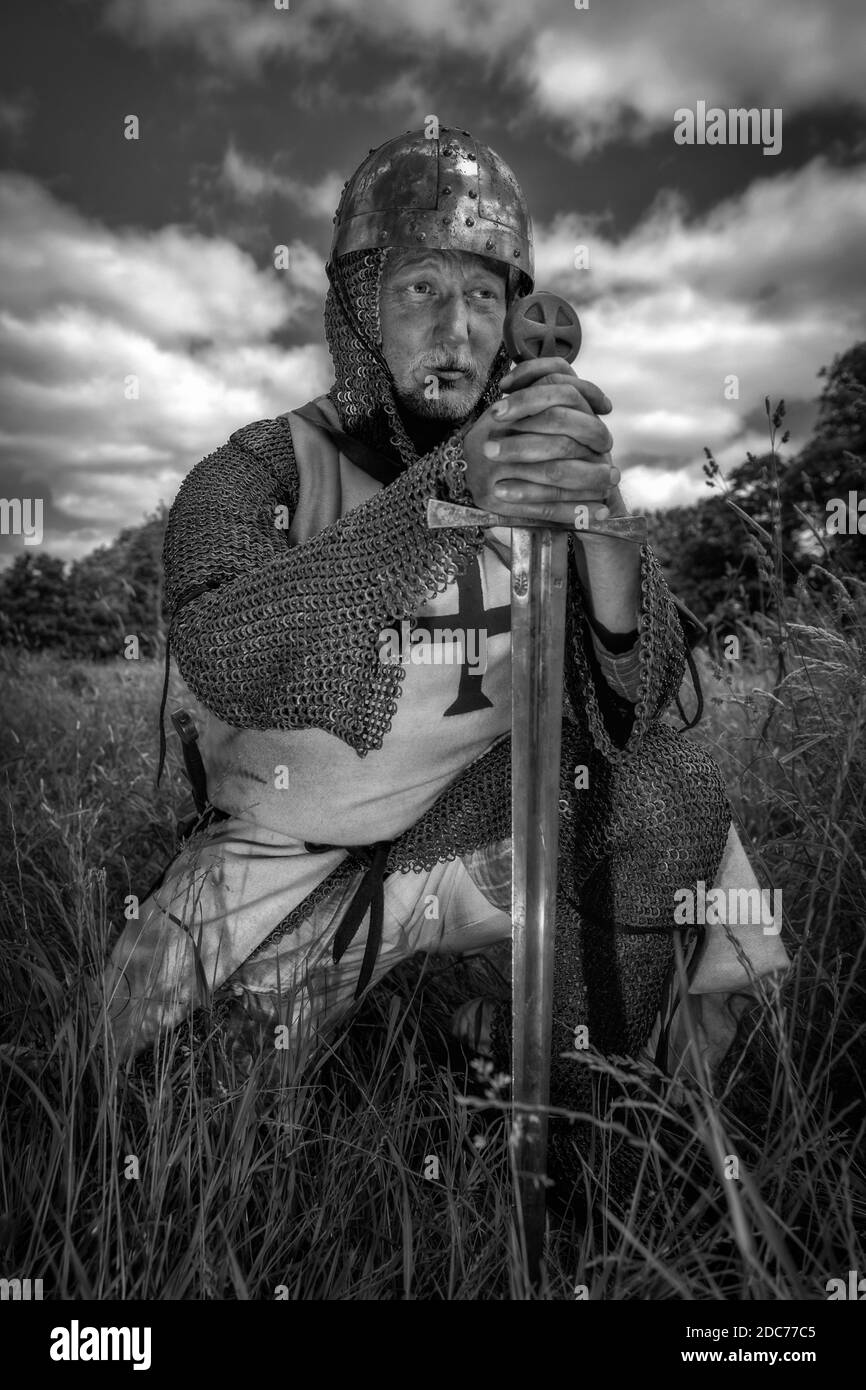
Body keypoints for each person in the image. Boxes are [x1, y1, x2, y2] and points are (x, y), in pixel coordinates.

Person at [104, 126, 789, 1161]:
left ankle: (571, 1118)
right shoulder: (261, 470)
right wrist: (447, 490)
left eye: (482, 297)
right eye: (422, 287)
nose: (458, 326)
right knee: (160, 1122)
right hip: (294, 853)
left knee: (660, 789)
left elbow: (637, 704)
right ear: (358, 305)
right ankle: (411, 1007)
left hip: (479, 830)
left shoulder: (536, 451)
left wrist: (600, 528)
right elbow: (222, 646)